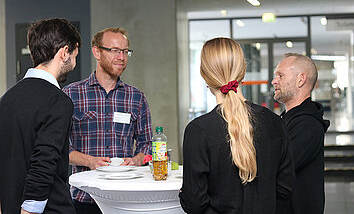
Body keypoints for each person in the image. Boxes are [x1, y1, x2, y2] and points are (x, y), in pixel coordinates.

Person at [179, 37, 295, 213]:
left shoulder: (198, 130)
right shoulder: (275, 122)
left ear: (205, 75)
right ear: (244, 70)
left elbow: (195, 202)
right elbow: (284, 189)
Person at [63, 27, 153, 213]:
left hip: (125, 199)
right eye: (114, 51)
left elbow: (148, 144)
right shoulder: (71, 94)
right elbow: (61, 148)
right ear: (97, 52)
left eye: (125, 51)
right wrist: (89, 161)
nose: (121, 57)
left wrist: (136, 160)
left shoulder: (136, 97)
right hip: (83, 200)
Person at [0, 18, 81, 214]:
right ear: (64, 53)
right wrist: (29, 211)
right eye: (74, 55)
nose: (74, 63)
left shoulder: (6, 99)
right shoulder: (58, 101)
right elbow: (44, 163)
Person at [272, 53, 330, 214]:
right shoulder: (288, 119)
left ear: (300, 79)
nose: (274, 81)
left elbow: (275, 167)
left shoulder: (307, 126)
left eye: (280, 76)